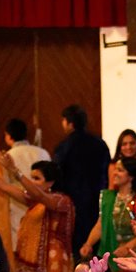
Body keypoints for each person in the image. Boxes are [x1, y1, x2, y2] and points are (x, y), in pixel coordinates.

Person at [54, 104, 111, 256]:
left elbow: (57, 175)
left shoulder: (65, 146)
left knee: (77, 246)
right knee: (96, 241)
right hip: (97, 199)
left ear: (69, 123)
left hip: (74, 202)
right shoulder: (100, 143)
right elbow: (107, 172)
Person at [1, 118, 50, 251]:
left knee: (20, 245)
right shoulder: (42, 152)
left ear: (8, 136)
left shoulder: (9, 156)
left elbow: (4, 184)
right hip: (42, 203)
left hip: (17, 203)